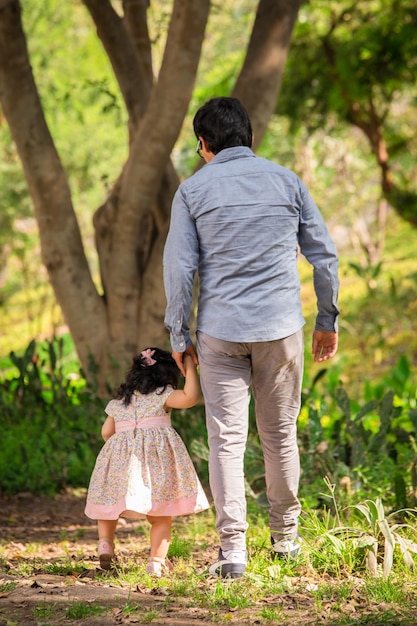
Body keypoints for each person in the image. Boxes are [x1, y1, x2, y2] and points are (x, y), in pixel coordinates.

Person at [163, 97, 339, 579]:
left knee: (226, 440)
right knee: (280, 435)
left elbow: (180, 270)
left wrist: (178, 333)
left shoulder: (192, 192)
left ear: (204, 144)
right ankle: (285, 539)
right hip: (280, 328)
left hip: (219, 331)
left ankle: (233, 553)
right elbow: (324, 256)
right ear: (249, 137)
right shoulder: (288, 182)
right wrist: (328, 319)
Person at [84, 347, 210, 577]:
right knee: (160, 514)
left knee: (109, 506)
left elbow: (106, 432)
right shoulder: (163, 395)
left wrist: (121, 448)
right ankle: (156, 562)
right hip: (154, 466)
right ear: (168, 375)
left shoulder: (122, 400)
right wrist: (190, 364)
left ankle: (105, 543)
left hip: (119, 462)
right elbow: (191, 397)